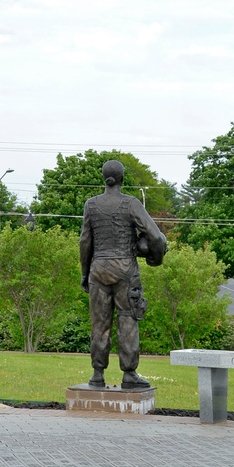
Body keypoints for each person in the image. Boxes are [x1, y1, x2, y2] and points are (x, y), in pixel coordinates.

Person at [80, 160, 168, 390]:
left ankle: (97, 374)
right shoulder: (131, 204)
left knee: (99, 323)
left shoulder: (90, 205)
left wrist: (84, 273)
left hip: (98, 270)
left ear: (104, 178)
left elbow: (85, 242)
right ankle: (129, 374)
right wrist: (155, 260)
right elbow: (157, 238)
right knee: (128, 320)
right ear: (122, 178)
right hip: (125, 270)